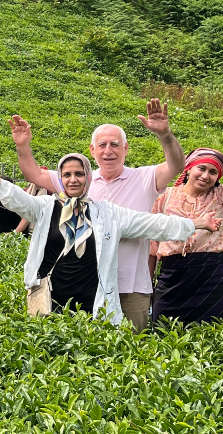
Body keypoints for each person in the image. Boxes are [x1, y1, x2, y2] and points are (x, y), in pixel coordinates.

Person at [0, 151, 214, 322]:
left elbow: (153, 223)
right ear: (60, 179)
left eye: (79, 174)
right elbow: (19, 200)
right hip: (50, 298)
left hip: (93, 301)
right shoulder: (46, 207)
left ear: (88, 178)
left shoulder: (108, 212)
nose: (73, 179)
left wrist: (196, 223)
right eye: (67, 174)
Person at [10, 102, 186, 331]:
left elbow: (177, 165)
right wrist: (23, 146)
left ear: (126, 148)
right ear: (92, 150)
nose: (108, 150)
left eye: (115, 144)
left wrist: (165, 134)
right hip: (89, 286)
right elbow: (33, 173)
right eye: (102, 145)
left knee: (132, 348)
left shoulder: (145, 177)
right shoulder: (80, 181)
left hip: (130, 284)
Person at [148, 148, 223, 325]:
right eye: (202, 168)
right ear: (189, 168)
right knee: (163, 327)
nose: (206, 176)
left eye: (213, 172)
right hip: (172, 276)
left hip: (211, 277)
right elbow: (152, 245)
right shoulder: (164, 197)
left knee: (211, 331)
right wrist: (148, 286)